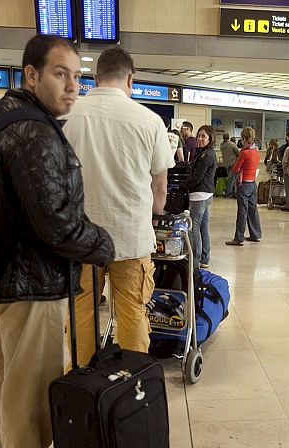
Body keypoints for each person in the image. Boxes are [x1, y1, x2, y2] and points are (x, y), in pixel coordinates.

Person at [0, 35, 114, 448]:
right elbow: (57, 223)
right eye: (60, 73)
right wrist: (103, 244)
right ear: (31, 75)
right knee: (29, 383)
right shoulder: (34, 132)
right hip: (26, 282)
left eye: (78, 75)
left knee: (2, 367)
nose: (72, 86)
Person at [63, 46, 172, 365]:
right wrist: (155, 214)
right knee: (133, 315)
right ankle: (132, 387)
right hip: (130, 238)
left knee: (80, 315)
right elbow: (160, 187)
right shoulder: (150, 121)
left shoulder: (67, 116)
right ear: (130, 78)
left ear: (95, 79)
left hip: (81, 239)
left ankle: (82, 385)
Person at [186, 125, 217, 269]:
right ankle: (205, 258)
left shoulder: (207, 155)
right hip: (206, 194)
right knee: (203, 227)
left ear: (210, 139)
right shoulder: (205, 152)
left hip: (200, 195)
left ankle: (196, 260)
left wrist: (183, 186)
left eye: (203, 136)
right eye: (199, 135)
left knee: (194, 228)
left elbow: (197, 177)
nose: (200, 139)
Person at [226, 127, 262, 245]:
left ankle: (238, 238)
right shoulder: (255, 151)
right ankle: (255, 234)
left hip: (244, 184)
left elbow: (236, 168)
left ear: (243, 139)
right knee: (253, 210)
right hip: (252, 184)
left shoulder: (244, 153)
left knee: (242, 211)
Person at [220, 132, 240, 198]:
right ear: (228, 137)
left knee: (230, 178)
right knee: (232, 179)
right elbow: (238, 153)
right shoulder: (232, 144)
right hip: (233, 164)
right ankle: (228, 193)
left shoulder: (221, 145)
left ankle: (230, 191)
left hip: (226, 164)